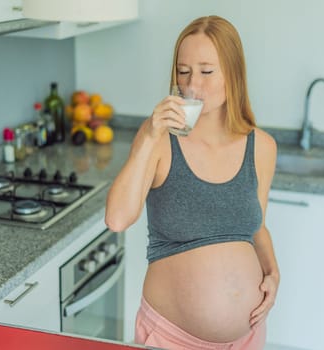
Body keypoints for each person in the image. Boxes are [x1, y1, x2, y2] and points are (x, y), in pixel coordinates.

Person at [105, 15, 279, 350]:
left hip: (248, 337)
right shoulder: (158, 139)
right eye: (183, 72)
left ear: (233, 73)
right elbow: (117, 219)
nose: (192, 84)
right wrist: (148, 136)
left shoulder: (262, 147)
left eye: (206, 71)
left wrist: (273, 273)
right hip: (171, 338)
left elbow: (256, 227)